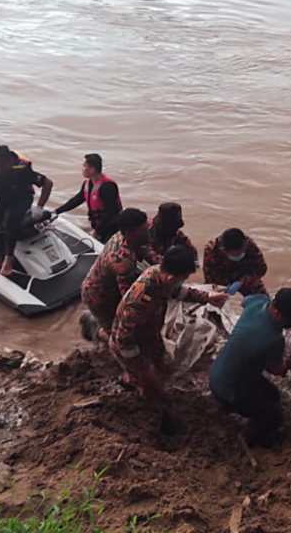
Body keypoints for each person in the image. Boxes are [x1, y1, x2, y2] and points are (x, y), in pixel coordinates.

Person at [109, 246, 229, 432]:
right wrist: (142, 367)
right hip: (130, 346)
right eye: (183, 278)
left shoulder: (160, 275)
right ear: (172, 278)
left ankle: (132, 381)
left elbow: (179, 292)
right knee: (151, 384)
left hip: (149, 335)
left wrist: (208, 298)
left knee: (160, 369)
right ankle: (157, 417)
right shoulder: (143, 297)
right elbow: (123, 338)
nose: (183, 283)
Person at [210, 288, 291, 447]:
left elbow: (245, 300)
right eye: (290, 320)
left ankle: (239, 409)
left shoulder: (257, 301)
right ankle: (250, 439)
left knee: (273, 395)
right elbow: (277, 370)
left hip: (217, 372)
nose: (290, 325)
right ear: (278, 314)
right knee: (274, 419)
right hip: (231, 389)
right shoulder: (273, 339)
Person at [79, 208, 154, 345]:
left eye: (146, 228)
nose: (147, 232)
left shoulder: (124, 235)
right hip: (98, 296)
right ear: (130, 233)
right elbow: (130, 300)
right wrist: (150, 297)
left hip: (106, 283)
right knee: (119, 338)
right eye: (143, 230)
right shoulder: (122, 261)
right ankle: (94, 328)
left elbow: (144, 249)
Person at [0, 145, 53, 276]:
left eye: (2, 166)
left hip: (21, 198)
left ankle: (9, 259)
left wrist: (40, 207)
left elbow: (48, 183)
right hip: (0, 196)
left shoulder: (22, 168)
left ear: (9, 161)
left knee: (10, 220)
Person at [55, 153, 122, 243]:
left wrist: (96, 231)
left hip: (112, 227)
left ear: (92, 169)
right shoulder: (87, 184)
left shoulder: (107, 187)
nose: (81, 169)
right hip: (98, 226)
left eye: (84, 166)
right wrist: (57, 211)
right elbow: (77, 200)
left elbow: (111, 212)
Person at [203, 227, 268, 296]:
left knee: (261, 296)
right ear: (224, 250)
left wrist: (240, 282)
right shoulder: (211, 250)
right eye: (235, 255)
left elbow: (261, 268)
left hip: (245, 276)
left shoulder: (249, 244)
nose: (239, 256)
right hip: (222, 278)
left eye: (242, 252)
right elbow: (209, 278)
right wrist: (220, 290)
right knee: (211, 298)